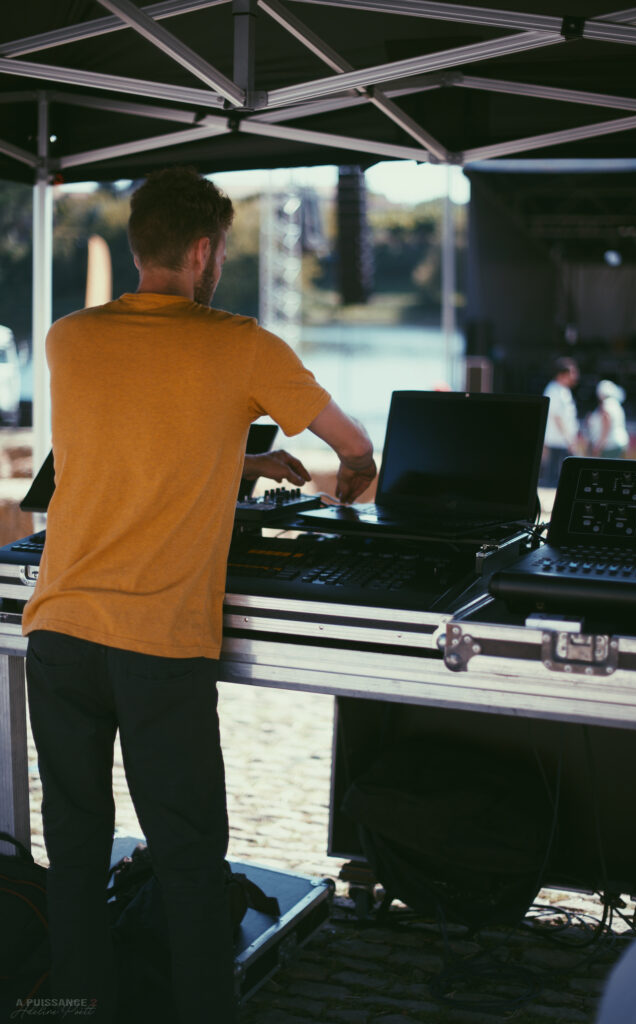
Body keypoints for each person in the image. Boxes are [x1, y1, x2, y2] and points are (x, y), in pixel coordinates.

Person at [21, 166, 377, 1024]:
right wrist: (353, 479)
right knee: (186, 858)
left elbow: (132, 447)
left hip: (61, 632)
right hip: (157, 644)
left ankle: (75, 1009)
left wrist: (243, 461)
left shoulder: (69, 338)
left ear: (141, 241)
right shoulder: (240, 343)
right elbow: (354, 444)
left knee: (71, 850)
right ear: (206, 250)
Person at [541, 356, 580, 487]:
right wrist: (568, 438)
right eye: (572, 373)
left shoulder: (563, 390)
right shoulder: (553, 390)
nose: (575, 376)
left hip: (563, 440)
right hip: (557, 439)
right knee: (554, 476)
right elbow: (557, 417)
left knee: (559, 474)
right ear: (562, 374)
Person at [586, 379, 629, 459]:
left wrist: (599, 446)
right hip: (618, 443)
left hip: (609, 445)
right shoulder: (616, 404)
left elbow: (607, 426)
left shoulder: (606, 405)